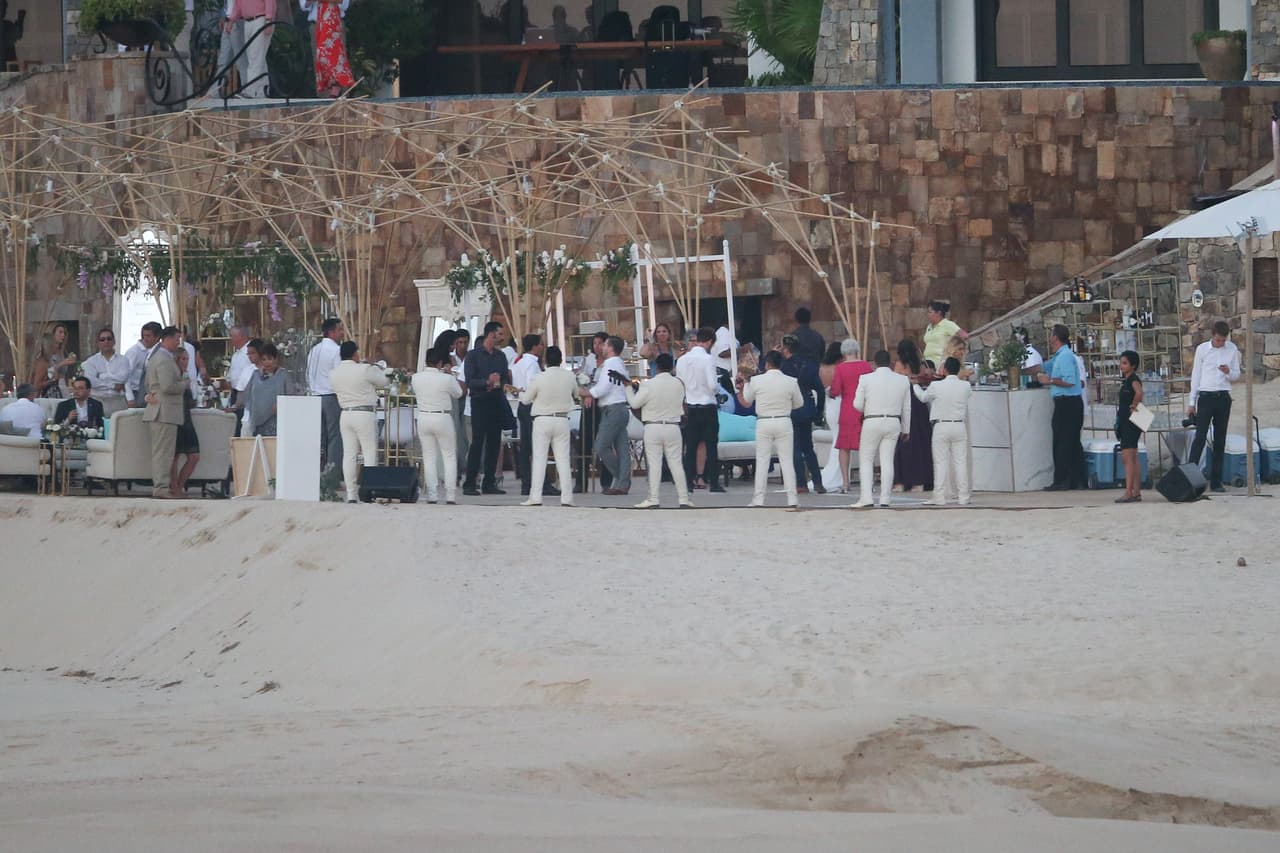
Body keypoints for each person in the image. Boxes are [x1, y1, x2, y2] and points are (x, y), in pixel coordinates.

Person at [622, 352, 693, 509]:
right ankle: (683, 498)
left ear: (657, 367)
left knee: (654, 464)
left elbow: (634, 404)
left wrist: (628, 388)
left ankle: (653, 498)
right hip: (673, 427)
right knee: (676, 464)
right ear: (672, 366)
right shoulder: (679, 384)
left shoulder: (648, 384)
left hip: (652, 426)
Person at [736, 350, 804, 510]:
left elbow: (746, 400)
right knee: (787, 461)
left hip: (764, 422)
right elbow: (799, 403)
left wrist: (744, 384)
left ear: (766, 364)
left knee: (762, 461)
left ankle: (759, 499)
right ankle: (792, 498)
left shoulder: (757, 381)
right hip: (784, 420)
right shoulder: (791, 381)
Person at [519, 345, 581, 507]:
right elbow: (576, 394)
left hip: (542, 420)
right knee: (563, 460)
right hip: (562, 419)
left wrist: (518, 392)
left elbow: (526, 399)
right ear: (561, 360)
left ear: (545, 360)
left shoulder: (539, 377)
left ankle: (536, 497)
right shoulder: (569, 377)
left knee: (539, 459)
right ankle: (567, 498)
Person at [850, 349, 912, 509]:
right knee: (887, 460)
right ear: (890, 363)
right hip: (893, 422)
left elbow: (857, 404)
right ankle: (885, 498)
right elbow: (907, 408)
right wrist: (906, 429)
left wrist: (868, 407)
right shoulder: (902, 380)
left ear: (875, 363)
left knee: (866, 459)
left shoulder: (865, 379)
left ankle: (866, 497)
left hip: (872, 420)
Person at [328, 340, 388, 503]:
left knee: (349, 455)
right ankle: (369, 491)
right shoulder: (365, 369)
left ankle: (351, 494)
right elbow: (384, 383)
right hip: (364, 413)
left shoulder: (334, 373)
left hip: (345, 414)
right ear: (355, 354)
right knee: (369, 452)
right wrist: (371, 366)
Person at [1187, 319, 1241, 493]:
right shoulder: (1202, 350)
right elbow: (1196, 376)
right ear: (1213, 336)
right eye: (1218, 340)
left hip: (1223, 396)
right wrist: (1191, 402)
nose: (1220, 343)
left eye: (1223, 340)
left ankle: (1216, 481)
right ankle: (1189, 477)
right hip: (1206, 396)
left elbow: (1236, 375)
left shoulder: (1232, 349)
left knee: (1220, 440)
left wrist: (1228, 372)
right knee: (1200, 437)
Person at [913, 357, 972, 506]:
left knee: (940, 463)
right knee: (960, 462)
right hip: (959, 425)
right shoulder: (965, 386)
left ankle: (939, 496)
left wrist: (915, 385)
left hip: (941, 426)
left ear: (945, 370)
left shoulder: (936, 386)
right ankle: (963, 496)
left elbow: (923, 397)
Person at [462, 321, 511, 496]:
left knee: (493, 443)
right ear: (491, 334)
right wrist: (487, 382)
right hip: (479, 402)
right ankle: (470, 482)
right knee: (477, 443)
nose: (502, 337)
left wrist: (503, 384)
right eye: (500, 334)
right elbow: (470, 381)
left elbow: (505, 377)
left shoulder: (501, 357)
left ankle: (489, 482)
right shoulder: (473, 356)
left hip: (496, 401)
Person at [412, 346, 464, 505]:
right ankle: (450, 495)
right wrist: (450, 375)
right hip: (442, 417)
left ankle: (432, 494)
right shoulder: (446, 378)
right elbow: (458, 393)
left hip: (423, 417)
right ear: (441, 363)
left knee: (429, 457)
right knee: (448, 455)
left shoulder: (416, 377)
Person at [1037, 324, 1086, 491]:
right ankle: (1078, 480)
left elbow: (1070, 381)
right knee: (1071, 442)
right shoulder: (1060, 356)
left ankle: (1062, 480)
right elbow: (1043, 367)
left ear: (1055, 337)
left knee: (1062, 441)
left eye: (1051, 335)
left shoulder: (1065, 357)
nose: (1050, 339)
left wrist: (1049, 381)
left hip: (1068, 403)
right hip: (1069, 403)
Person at [141, 327, 186, 499]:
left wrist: (150, 394)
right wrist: (184, 384)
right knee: (163, 453)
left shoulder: (156, 358)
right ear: (166, 339)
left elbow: (147, 383)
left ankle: (161, 485)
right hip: (164, 411)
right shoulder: (164, 359)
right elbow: (168, 386)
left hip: (161, 409)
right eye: (176, 339)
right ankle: (161, 487)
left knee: (163, 451)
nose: (178, 343)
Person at [583, 335, 632, 496]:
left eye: (604, 345)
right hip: (620, 407)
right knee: (622, 447)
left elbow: (603, 388)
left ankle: (621, 477)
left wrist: (586, 392)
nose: (602, 347)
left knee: (601, 446)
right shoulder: (620, 364)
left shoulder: (610, 364)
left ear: (610, 347)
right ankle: (622, 482)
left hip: (612, 409)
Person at [676, 327, 722, 491]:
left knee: (690, 446)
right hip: (707, 405)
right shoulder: (707, 359)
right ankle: (714, 483)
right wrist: (716, 391)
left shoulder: (681, 360)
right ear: (709, 342)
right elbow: (712, 385)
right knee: (711, 446)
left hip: (689, 406)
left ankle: (688, 483)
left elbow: (679, 383)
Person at [827, 338, 873, 494]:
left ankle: (846, 483)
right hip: (864, 410)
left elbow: (835, 390)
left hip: (847, 409)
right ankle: (869, 482)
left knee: (844, 447)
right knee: (866, 446)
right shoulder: (866, 366)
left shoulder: (840, 368)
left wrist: (830, 393)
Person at [780, 335, 825, 494]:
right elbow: (820, 389)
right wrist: (819, 411)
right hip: (807, 406)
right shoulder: (810, 365)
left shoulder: (784, 367)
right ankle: (818, 481)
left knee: (795, 447)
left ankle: (801, 482)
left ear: (785, 349)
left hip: (791, 407)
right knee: (808, 447)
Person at [512, 333, 553, 497]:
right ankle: (540, 483)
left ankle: (527, 482)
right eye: (540, 344)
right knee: (537, 447)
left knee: (526, 447)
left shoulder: (518, 363)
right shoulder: (532, 365)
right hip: (532, 407)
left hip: (522, 405)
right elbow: (533, 385)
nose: (542, 347)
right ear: (535, 346)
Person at [893, 339, 933, 493]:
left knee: (904, 443)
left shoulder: (899, 365)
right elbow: (924, 378)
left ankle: (901, 482)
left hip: (905, 401)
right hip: (918, 401)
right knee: (920, 442)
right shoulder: (920, 365)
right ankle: (920, 481)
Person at [306, 317, 345, 470]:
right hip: (330, 395)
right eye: (339, 330)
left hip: (315, 396)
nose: (342, 333)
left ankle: (318, 470)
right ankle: (333, 472)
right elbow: (338, 375)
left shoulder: (314, 350)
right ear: (331, 332)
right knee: (334, 436)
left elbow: (308, 373)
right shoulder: (336, 351)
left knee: (320, 436)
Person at [300, 0, 355, 97]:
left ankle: (338, 88)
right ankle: (327, 93)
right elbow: (304, 5)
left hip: (334, 21)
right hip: (318, 22)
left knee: (336, 56)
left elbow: (343, 4)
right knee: (321, 58)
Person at [242, 342, 296, 437]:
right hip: (257, 423)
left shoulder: (283, 375)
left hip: (278, 422)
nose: (267, 362)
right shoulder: (255, 375)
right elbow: (248, 396)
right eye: (263, 359)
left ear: (276, 359)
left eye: (270, 359)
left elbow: (292, 396)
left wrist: (281, 406)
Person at [168, 348, 201, 497]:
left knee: (194, 456)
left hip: (187, 419)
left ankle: (180, 485)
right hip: (175, 417)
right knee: (174, 456)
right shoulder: (174, 377)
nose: (186, 362)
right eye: (183, 359)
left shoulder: (187, 376)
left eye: (187, 359)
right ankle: (174, 487)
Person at [228, 0, 275, 99]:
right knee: (257, 58)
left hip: (261, 20)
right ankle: (263, 92)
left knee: (255, 58)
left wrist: (268, 20)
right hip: (247, 22)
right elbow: (237, 4)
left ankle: (250, 91)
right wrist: (231, 21)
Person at [1115, 350, 1145, 503]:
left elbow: (1139, 392)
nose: (1122, 366)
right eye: (1121, 363)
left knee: (1128, 457)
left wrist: (1134, 405)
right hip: (1131, 421)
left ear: (1133, 365)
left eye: (1125, 363)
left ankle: (1129, 491)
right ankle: (1136, 491)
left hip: (1130, 421)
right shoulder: (1126, 380)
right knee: (1133, 457)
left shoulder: (1133, 379)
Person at [80, 327, 131, 417]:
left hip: (118, 402)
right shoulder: (91, 361)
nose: (106, 341)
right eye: (102, 339)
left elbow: (122, 378)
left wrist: (102, 376)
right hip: (97, 401)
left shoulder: (124, 360)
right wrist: (113, 385)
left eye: (109, 339)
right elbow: (91, 382)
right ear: (98, 343)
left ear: (114, 341)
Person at [32, 323, 76, 399]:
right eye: (60, 332)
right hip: (49, 391)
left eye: (64, 333)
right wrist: (61, 364)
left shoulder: (63, 352)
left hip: (62, 388)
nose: (63, 335)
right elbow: (38, 382)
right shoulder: (44, 358)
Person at [124, 322, 162, 408]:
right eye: (144, 335)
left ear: (157, 337)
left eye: (148, 336)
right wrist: (130, 398)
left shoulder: (154, 351)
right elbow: (126, 376)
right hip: (135, 392)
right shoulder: (134, 352)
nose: (145, 338)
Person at [922, 300, 967, 366]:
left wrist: (953, 352)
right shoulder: (929, 327)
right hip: (928, 362)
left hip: (940, 363)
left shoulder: (947, 324)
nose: (927, 314)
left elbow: (964, 336)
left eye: (930, 312)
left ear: (938, 313)